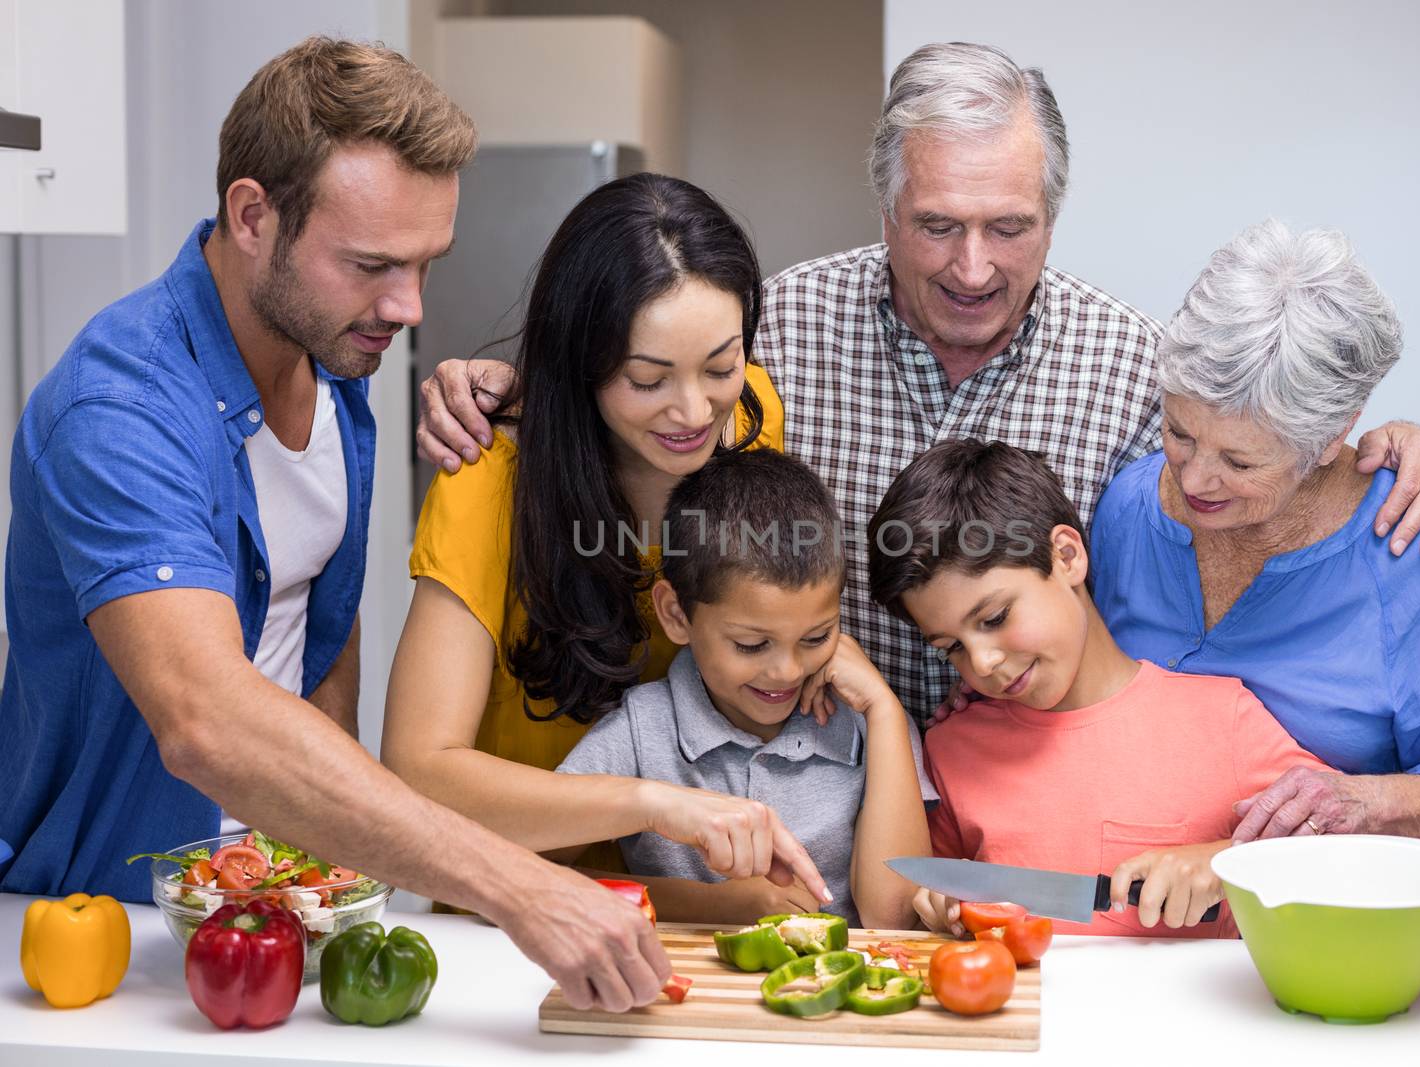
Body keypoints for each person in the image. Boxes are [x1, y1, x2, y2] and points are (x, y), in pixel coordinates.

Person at [0, 38, 788, 1014]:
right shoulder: (116, 413)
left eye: (424, 264)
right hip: (113, 926)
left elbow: (319, 641)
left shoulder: (334, 368)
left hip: (291, 908)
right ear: (253, 217)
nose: (409, 310)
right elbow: (206, 719)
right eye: (372, 264)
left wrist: (341, 882)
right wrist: (512, 879)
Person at [416, 42, 1420, 722]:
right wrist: (517, 380)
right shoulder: (771, 332)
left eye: (1008, 229)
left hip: (1034, 810)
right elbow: (642, 385)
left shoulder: (1136, 369)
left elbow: (1242, 496)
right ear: (884, 209)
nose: (973, 268)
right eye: (937, 227)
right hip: (811, 802)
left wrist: (1375, 451)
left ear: (1052, 216)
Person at [381, 173, 829, 924]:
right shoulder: (489, 483)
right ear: (578, 365)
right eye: (647, 380)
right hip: (514, 907)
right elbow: (417, 775)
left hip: (686, 896)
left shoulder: (751, 418)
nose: (694, 411)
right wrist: (651, 803)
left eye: (721, 366)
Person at [1089, 220, 1420, 847]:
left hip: (1338, 922)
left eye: (1241, 463)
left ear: (1333, 437)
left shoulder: (1409, 542)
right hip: (1152, 924)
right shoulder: (1127, 509)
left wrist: (1366, 801)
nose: (1195, 478)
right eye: (1180, 433)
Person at [866, 440, 1331, 937]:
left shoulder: (1225, 721)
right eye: (950, 647)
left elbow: (1355, 854)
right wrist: (943, 908)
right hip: (1027, 1012)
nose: (982, 663)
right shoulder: (951, 749)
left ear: (1066, 556)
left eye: (995, 617)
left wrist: (1226, 863)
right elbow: (924, 905)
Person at [550, 449, 936, 928]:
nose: (787, 672)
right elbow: (528, 869)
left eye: (816, 638)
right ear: (675, 614)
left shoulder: (869, 723)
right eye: (752, 644)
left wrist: (882, 711)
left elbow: (894, 918)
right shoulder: (641, 728)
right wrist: (713, 906)